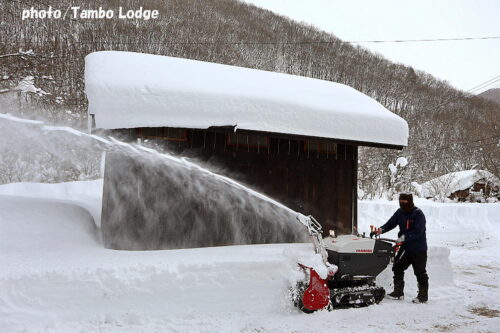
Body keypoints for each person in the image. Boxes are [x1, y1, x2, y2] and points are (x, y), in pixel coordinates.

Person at [371, 193, 429, 303]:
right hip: (406, 248)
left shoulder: (418, 214)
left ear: (410, 202)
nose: (402, 204)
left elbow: (418, 231)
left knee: (420, 272)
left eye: (405, 202)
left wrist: (404, 237)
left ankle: (423, 296)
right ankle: (398, 293)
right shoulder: (400, 213)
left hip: (418, 249)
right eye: (401, 202)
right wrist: (381, 230)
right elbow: (391, 223)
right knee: (397, 267)